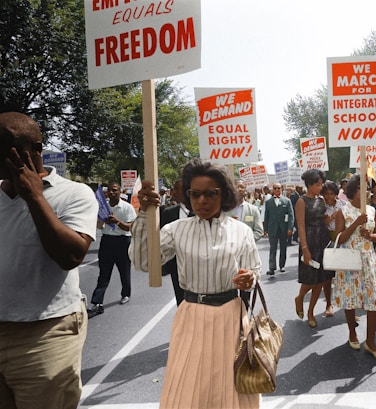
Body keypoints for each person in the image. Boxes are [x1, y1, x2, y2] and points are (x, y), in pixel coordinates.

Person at [129, 158, 261, 408]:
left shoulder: (241, 231)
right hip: (191, 315)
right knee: (189, 386)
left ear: (224, 194)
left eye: (210, 193)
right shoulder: (176, 229)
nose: (202, 201)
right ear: (187, 195)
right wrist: (145, 216)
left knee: (229, 386)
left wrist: (249, 279)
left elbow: (255, 271)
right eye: (195, 194)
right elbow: (143, 262)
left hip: (231, 317)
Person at [0, 111, 98, 409]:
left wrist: (35, 198)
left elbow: (70, 256)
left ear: (35, 151)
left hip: (46, 334)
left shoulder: (75, 194)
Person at [333, 174, 376, 359]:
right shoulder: (344, 211)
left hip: (369, 259)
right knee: (350, 300)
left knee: (373, 301)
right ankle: (352, 332)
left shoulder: (371, 211)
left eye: (366, 187)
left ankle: (371, 341)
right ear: (353, 190)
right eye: (361, 187)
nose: (365, 190)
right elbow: (339, 238)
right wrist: (356, 224)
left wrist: (370, 236)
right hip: (349, 260)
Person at [88, 182, 137, 315]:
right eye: (109, 191)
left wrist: (117, 221)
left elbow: (130, 227)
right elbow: (98, 225)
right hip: (107, 241)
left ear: (120, 191)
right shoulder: (103, 207)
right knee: (104, 273)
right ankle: (97, 302)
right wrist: (103, 222)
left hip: (123, 242)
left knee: (124, 270)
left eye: (115, 190)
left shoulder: (127, 207)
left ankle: (126, 294)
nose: (112, 193)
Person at [294, 170, 330, 328]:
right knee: (310, 279)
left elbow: (325, 220)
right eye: (317, 184)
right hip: (309, 242)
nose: (320, 187)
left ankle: (311, 312)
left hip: (322, 241)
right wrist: (305, 248)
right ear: (309, 185)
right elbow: (300, 226)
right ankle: (300, 297)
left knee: (321, 280)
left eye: (321, 184)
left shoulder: (321, 200)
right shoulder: (301, 202)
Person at [159, 179, 190, 306]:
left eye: (177, 189)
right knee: (181, 301)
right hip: (176, 264)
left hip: (198, 264)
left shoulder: (201, 212)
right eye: (173, 189)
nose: (173, 192)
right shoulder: (168, 213)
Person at [322, 180, 344, 317]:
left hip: (342, 239)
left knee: (344, 274)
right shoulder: (321, 206)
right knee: (328, 276)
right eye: (326, 194)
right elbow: (324, 222)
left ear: (336, 194)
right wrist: (334, 216)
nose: (329, 197)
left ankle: (346, 306)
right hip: (327, 240)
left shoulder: (343, 204)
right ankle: (329, 304)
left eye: (332, 194)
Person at [264, 182, 294, 275]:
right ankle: (272, 267)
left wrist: (290, 228)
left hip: (283, 228)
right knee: (272, 248)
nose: (277, 190)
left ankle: (282, 265)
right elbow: (266, 216)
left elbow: (291, 215)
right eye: (275, 188)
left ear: (282, 189)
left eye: (279, 188)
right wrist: (265, 229)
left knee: (283, 247)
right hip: (272, 228)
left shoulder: (287, 201)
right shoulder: (268, 202)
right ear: (273, 190)